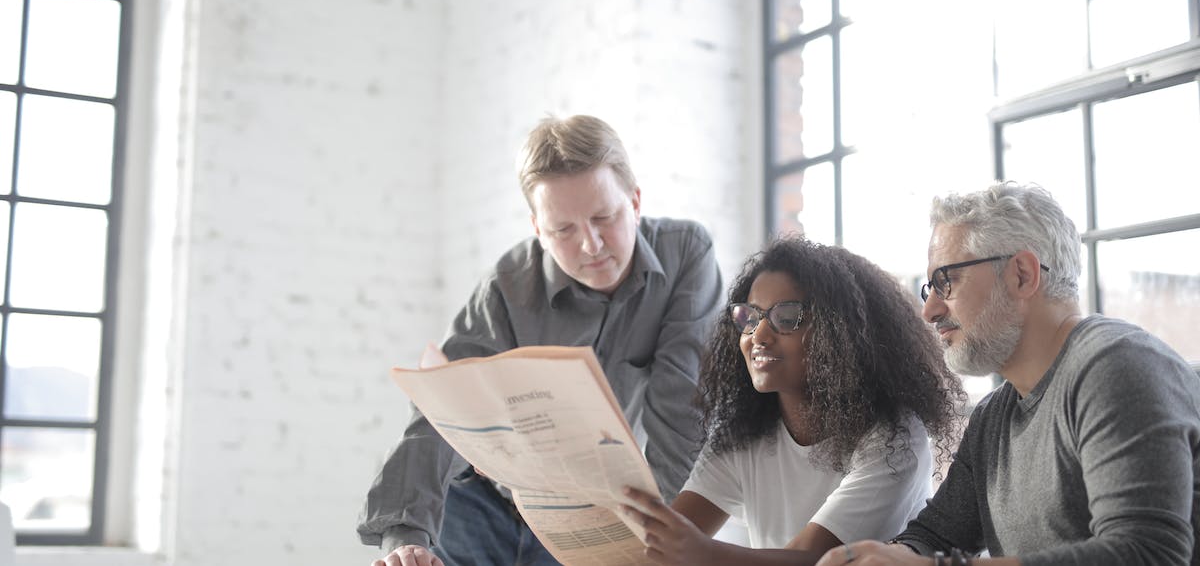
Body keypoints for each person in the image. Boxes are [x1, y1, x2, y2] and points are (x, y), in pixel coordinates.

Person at [358, 114, 724, 566]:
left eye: (604, 217)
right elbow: (442, 411)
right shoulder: (507, 286)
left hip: (590, 519)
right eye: (563, 230)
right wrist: (405, 536)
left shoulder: (686, 253)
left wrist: (661, 541)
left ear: (635, 200)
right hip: (478, 506)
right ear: (537, 229)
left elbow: (682, 410)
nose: (591, 245)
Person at [818, 181, 1200, 566]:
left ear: (1021, 274)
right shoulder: (992, 418)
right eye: (928, 288)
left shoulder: (1116, 367)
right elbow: (932, 535)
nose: (929, 310)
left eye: (945, 281)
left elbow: (1149, 554)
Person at [620, 236, 965, 565]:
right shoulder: (741, 433)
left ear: (839, 331)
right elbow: (666, 541)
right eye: (749, 317)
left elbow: (813, 559)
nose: (758, 335)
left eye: (786, 318)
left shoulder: (894, 438)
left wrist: (706, 557)